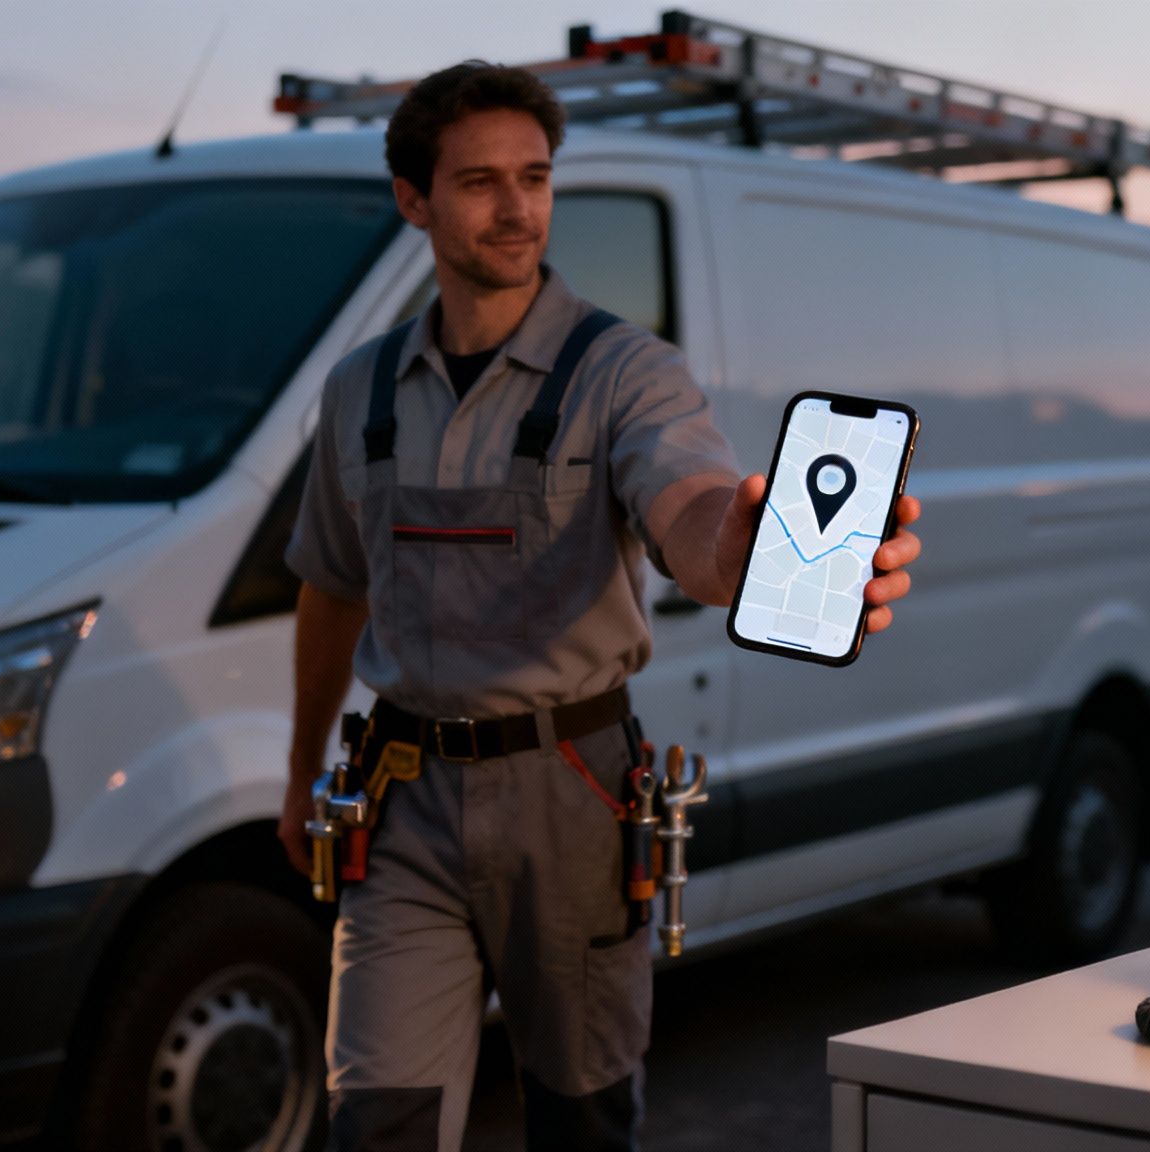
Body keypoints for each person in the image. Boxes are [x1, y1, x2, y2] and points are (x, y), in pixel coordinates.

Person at [279, 61, 922, 1152]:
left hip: (573, 791)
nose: (517, 207)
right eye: (480, 181)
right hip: (401, 797)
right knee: (373, 1123)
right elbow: (332, 587)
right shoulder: (358, 392)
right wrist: (299, 775)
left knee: (580, 1121)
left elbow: (692, 508)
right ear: (412, 199)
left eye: (534, 177)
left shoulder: (627, 373)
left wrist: (743, 547)